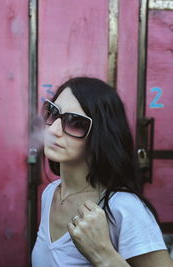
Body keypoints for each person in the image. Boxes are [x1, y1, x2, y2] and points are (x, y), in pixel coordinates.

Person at [32, 77, 172, 267]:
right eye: (52, 112)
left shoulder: (123, 208)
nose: (54, 129)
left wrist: (102, 254)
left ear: (101, 135)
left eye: (75, 122)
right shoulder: (50, 193)